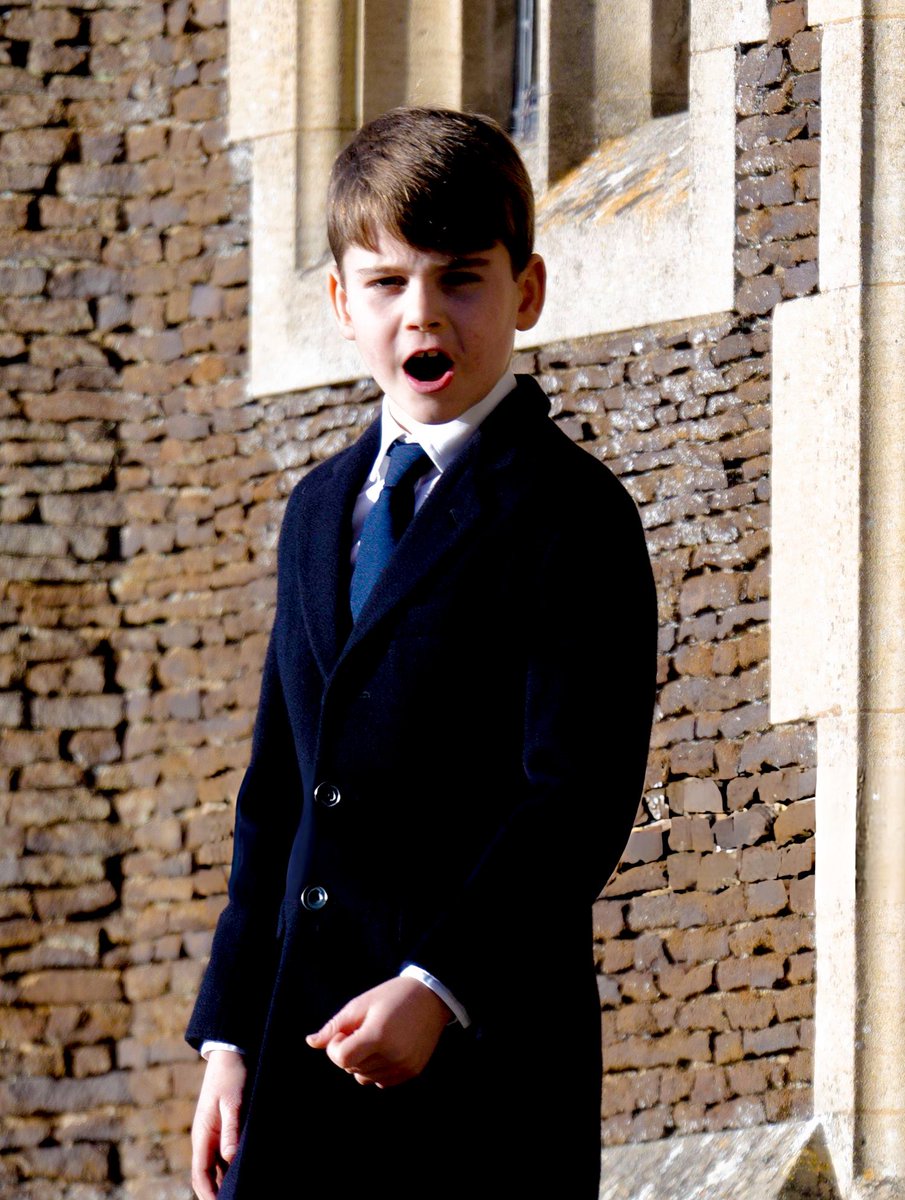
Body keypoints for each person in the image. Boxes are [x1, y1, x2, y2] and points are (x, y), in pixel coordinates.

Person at [187, 106, 656, 1200]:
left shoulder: (568, 514)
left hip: (481, 1074)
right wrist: (229, 1038)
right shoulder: (316, 510)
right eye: (389, 283)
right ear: (342, 301)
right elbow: (277, 798)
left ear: (524, 293)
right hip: (300, 1060)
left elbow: (572, 800)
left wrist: (437, 984)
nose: (422, 313)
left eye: (460, 278)